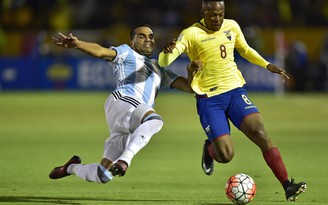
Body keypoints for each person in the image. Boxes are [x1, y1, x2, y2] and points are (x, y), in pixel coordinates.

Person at [158, 0, 307, 201]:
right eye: (211, 14)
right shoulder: (191, 33)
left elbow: (244, 50)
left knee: (260, 133)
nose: (217, 19)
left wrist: (267, 65)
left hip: (235, 91)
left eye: (220, 14)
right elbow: (164, 61)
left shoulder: (232, 26)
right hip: (209, 99)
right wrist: (167, 53)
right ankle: (210, 149)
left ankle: (287, 185)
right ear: (203, 12)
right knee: (226, 155)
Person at [49, 24, 201, 183]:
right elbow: (101, 51)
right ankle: (125, 160)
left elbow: (190, 87)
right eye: (141, 36)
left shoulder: (159, 68)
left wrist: (191, 71)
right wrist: (78, 44)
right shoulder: (126, 52)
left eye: (150, 36)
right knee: (155, 121)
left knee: (102, 175)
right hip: (123, 101)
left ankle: (70, 168)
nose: (147, 39)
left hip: (130, 120)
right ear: (132, 42)